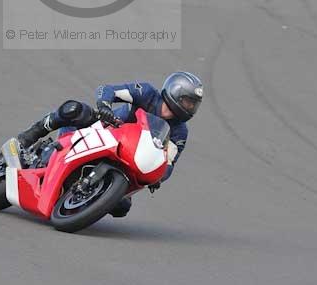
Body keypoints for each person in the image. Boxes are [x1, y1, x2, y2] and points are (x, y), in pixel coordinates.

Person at [16, 71, 204, 217]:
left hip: (130, 159)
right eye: (188, 102)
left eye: (194, 104)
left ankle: (85, 201)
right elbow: (107, 90)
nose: (190, 108)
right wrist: (105, 106)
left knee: (121, 207)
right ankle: (31, 135)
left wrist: (158, 176)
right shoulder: (146, 93)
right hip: (106, 130)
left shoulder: (180, 132)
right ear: (175, 92)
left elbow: (169, 163)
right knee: (75, 109)